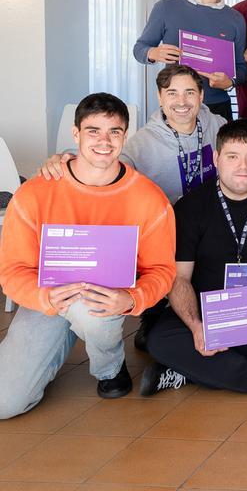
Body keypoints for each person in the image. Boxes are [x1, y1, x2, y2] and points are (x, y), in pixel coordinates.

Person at [0, 94, 175, 419]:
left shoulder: (150, 200)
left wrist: (131, 299)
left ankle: (110, 368)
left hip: (104, 300)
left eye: (114, 132)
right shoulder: (35, 193)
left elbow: (162, 271)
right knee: (4, 403)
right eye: (93, 131)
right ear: (75, 134)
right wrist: (45, 296)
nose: (104, 141)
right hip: (46, 299)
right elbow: (11, 271)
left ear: (125, 135)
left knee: (93, 313)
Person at [141, 120, 247, 399]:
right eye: (233, 157)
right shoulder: (190, 207)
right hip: (207, 313)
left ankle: (188, 371)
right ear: (217, 159)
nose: (243, 167)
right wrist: (196, 326)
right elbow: (179, 278)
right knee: (159, 340)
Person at [39, 65, 225, 203]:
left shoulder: (218, 124)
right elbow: (105, 157)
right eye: (172, 93)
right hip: (169, 224)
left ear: (201, 96)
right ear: (160, 98)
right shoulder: (142, 143)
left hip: (215, 219)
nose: (181, 102)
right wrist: (66, 158)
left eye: (190, 93)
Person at [133, 0, 246, 121]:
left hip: (218, 105)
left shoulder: (235, 19)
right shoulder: (166, 7)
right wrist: (154, 52)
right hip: (178, 104)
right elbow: (139, 49)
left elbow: (241, 68)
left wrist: (230, 82)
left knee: (218, 150)